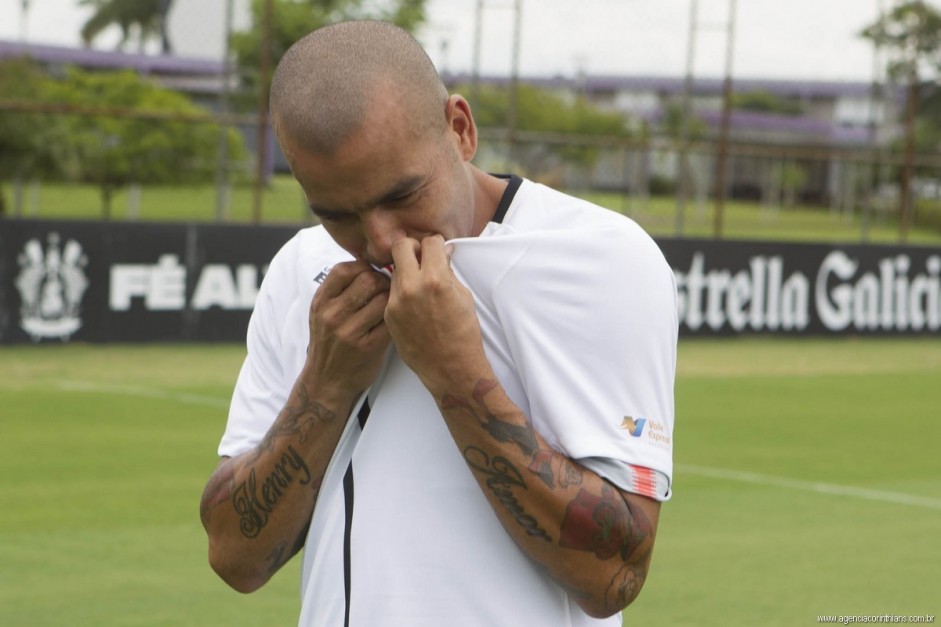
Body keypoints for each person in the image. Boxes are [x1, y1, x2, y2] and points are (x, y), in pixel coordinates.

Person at [199, 19, 677, 627]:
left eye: (402, 195)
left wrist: (454, 372)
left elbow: (617, 574)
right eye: (337, 214)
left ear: (460, 128)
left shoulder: (603, 260)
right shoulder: (302, 269)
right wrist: (324, 386)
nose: (379, 241)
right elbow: (234, 559)